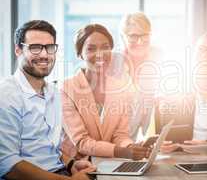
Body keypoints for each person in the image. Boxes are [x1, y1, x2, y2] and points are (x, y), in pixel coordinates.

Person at [0, 20, 95, 180]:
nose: (44, 55)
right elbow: (7, 165)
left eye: (49, 47)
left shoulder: (53, 92)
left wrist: (71, 164)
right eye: (35, 48)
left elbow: (50, 148)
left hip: (59, 173)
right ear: (18, 50)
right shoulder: (7, 96)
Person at [61, 24, 150, 161]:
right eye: (91, 49)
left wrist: (131, 146)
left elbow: (120, 134)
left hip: (108, 163)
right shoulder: (66, 89)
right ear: (79, 54)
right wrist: (123, 152)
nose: (100, 54)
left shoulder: (121, 88)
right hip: (76, 165)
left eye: (105, 47)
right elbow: (81, 142)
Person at [160, 32, 207, 153]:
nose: (205, 55)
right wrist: (169, 143)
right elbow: (168, 130)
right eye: (201, 49)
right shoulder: (176, 86)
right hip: (181, 152)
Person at [115, 12, 162, 140]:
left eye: (145, 35)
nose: (140, 41)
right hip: (114, 137)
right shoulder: (113, 62)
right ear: (123, 37)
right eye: (133, 36)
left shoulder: (159, 58)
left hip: (146, 136)